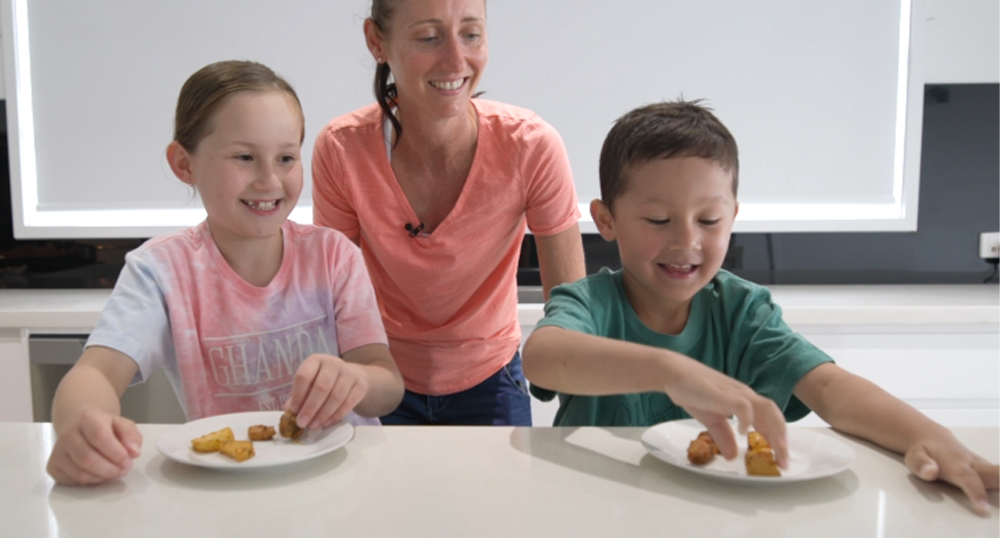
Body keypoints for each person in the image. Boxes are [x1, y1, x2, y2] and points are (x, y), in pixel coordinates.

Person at [521, 100, 1000, 515]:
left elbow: (830, 387)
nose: (686, 240)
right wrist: (668, 369)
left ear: (733, 217)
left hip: (709, 513)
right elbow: (543, 357)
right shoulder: (590, 302)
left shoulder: (740, 310)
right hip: (594, 508)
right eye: (658, 219)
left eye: (709, 220)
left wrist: (928, 435)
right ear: (606, 220)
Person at [46, 60, 404, 486]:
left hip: (345, 481)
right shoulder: (160, 271)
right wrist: (80, 422)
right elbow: (96, 373)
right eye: (245, 157)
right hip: (232, 490)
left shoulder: (333, 256)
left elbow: (388, 386)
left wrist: (358, 379)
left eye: (286, 157)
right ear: (185, 164)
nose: (270, 180)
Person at [312, 0, 586, 425]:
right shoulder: (341, 149)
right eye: (428, 37)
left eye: (471, 34)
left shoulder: (531, 145)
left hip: (493, 382)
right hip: (379, 381)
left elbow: (571, 305)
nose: (457, 60)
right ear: (376, 41)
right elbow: (336, 300)